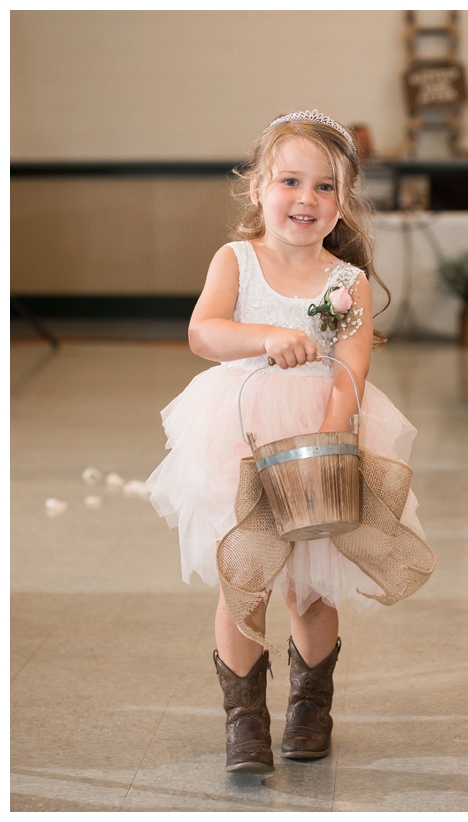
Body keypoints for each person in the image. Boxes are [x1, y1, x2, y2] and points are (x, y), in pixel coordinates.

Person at [148, 110, 427, 773]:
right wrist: (265, 338)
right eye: (291, 182)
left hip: (321, 437)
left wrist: (327, 444)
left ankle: (311, 705)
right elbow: (204, 333)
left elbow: (352, 368)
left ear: (343, 201)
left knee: (312, 586)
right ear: (258, 188)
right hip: (238, 434)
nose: (306, 199)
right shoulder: (236, 259)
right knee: (244, 576)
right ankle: (245, 720)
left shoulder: (347, 281)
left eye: (325, 187)